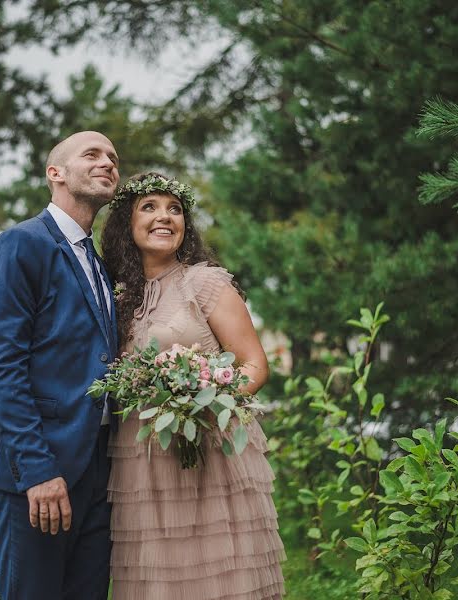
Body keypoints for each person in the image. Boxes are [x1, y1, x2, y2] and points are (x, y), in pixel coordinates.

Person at [101, 172, 285, 599]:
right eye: (149, 207)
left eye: (175, 209)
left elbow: (254, 364)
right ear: (126, 222)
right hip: (141, 458)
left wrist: (203, 399)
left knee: (217, 574)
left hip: (208, 450)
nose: (165, 217)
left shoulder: (204, 282)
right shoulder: (119, 294)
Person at [0, 131, 120, 600]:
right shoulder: (19, 245)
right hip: (36, 468)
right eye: (91, 154)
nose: (108, 163)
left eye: (113, 158)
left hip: (98, 469)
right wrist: (36, 470)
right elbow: (2, 367)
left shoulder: (99, 262)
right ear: (56, 173)